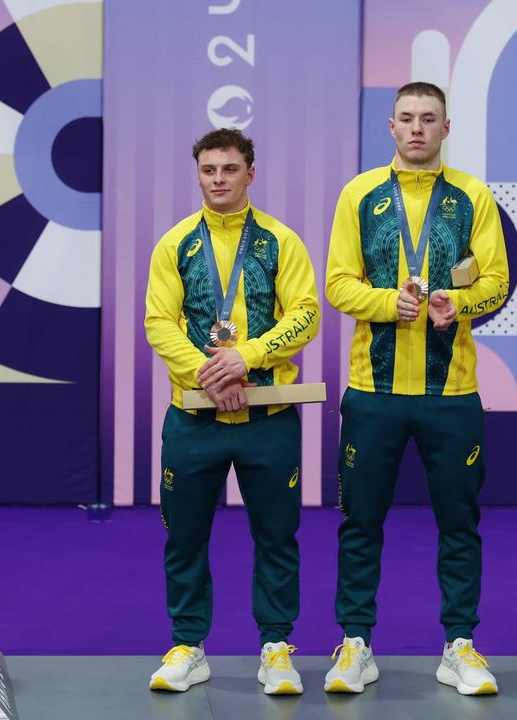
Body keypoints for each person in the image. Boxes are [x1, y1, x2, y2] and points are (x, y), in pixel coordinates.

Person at [322, 82, 508, 695]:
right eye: (407, 118)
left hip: (451, 395)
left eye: (429, 119)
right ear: (391, 126)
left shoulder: (472, 195)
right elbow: (338, 284)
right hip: (372, 392)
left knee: (460, 522)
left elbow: (499, 282)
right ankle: (355, 644)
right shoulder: (360, 194)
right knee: (360, 522)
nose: (418, 128)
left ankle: (460, 644)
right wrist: (389, 304)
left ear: (446, 128)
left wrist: (460, 300)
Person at [144, 128, 320, 695]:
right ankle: (188, 646)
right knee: (186, 537)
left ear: (250, 173)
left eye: (229, 169)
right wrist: (210, 372)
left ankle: (276, 648)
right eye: (209, 170)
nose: (218, 179)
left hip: (268, 420)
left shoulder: (280, 241)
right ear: (198, 174)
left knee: (277, 536)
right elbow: (158, 324)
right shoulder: (175, 243)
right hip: (194, 418)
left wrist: (243, 358)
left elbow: (305, 316)